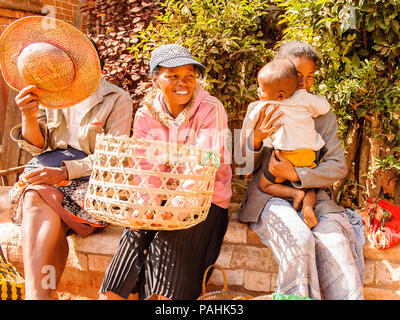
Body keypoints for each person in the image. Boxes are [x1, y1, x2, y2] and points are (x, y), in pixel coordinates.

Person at [1, 16, 133, 299]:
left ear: (96, 66)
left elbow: (113, 158)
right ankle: (42, 295)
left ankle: (37, 296)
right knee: (41, 200)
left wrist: (65, 172)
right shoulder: (51, 95)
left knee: (38, 196)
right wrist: (27, 116)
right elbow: (38, 146)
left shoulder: (116, 99)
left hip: (91, 181)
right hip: (49, 179)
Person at [98, 44, 232, 300]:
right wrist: (147, 207)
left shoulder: (210, 109)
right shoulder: (147, 114)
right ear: (156, 78)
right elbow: (145, 168)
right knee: (133, 234)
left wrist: (173, 210)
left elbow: (203, 165)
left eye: (189, 76)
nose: (183, 83)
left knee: (166, 248)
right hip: (159, 199)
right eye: (172, 76)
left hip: (203, 203)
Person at [238, 40, 364, 300]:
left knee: (337, 244)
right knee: (299, 240)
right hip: (270, 196)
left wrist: (298, 174)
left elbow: (338, 165)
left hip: (314, 195)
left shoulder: (320, 114)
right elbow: (242, 166)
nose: (303, 83)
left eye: (310, 77)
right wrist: (257, 137)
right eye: (297, 75)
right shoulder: (264, 108)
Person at [242, 58, 331, 229]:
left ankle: (295, 193)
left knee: (265, 184)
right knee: (311, 188)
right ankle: (307, 205)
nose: (259, 92)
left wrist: (253, 131)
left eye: (261, 89)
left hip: (284, 156)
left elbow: (246, 133)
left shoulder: (264, 105)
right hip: (307, 155)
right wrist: (257, 138)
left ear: (280, 94)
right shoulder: (305, 99)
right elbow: (324, 107)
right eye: (298, 77)